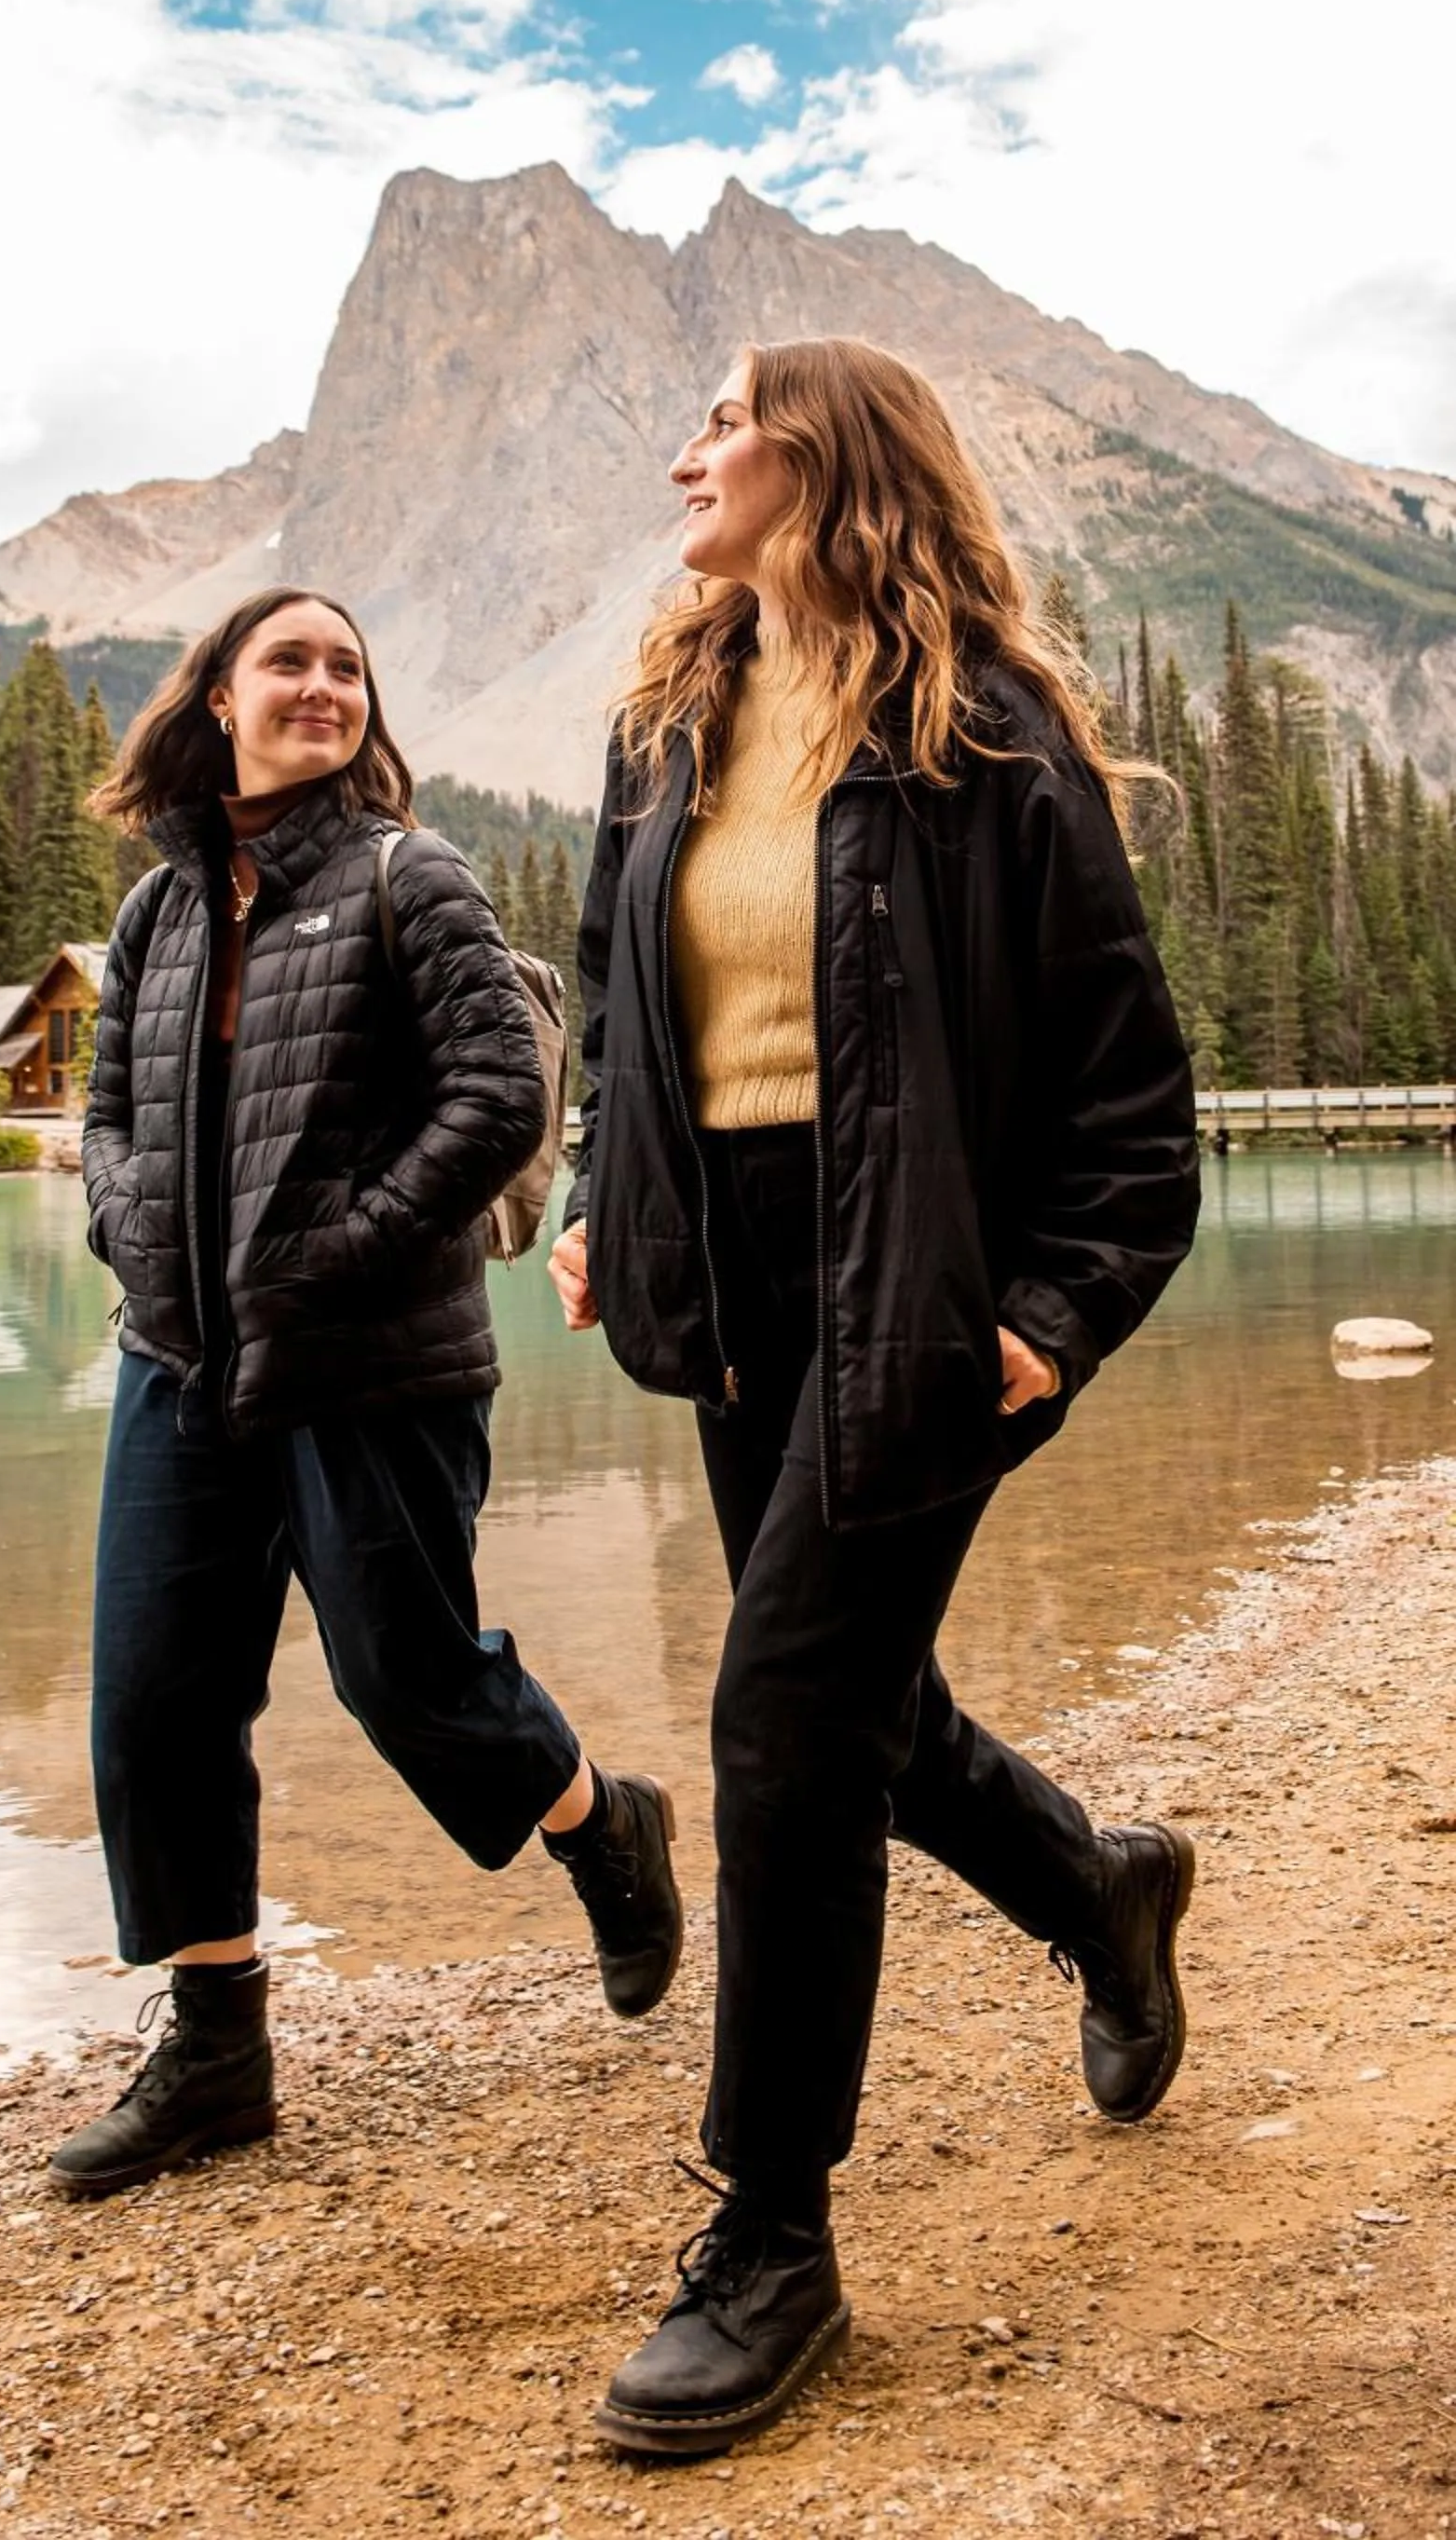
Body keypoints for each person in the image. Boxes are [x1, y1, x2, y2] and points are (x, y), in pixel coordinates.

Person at [548, 340, 1201, 2455]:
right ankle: (1099, 1893)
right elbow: (619, 1002)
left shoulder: (980, 733)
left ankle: (773, 2237)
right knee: (855, 1709)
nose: (682, 454)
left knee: (772, 1722)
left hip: (913, 1290)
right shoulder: (668, 718)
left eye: (717, 420)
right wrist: (599, 1194)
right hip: (729, 1276)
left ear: (822, 454)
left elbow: (1127, 1097)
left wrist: (1047, 1313)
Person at [51, 584, 682, 2199]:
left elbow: (491, 1099)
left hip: (374, 1360)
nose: (322, 686)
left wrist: (350, 1240)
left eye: (346, 667)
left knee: (404, 1679)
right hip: (178, 1364)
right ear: (217, 704)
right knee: (154, 1702)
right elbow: (107, 1115)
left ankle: (600, 1822)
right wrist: (132, 1234)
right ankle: (216, 2049)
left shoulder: (412, 877)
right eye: (289, 662)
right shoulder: (154, 915)